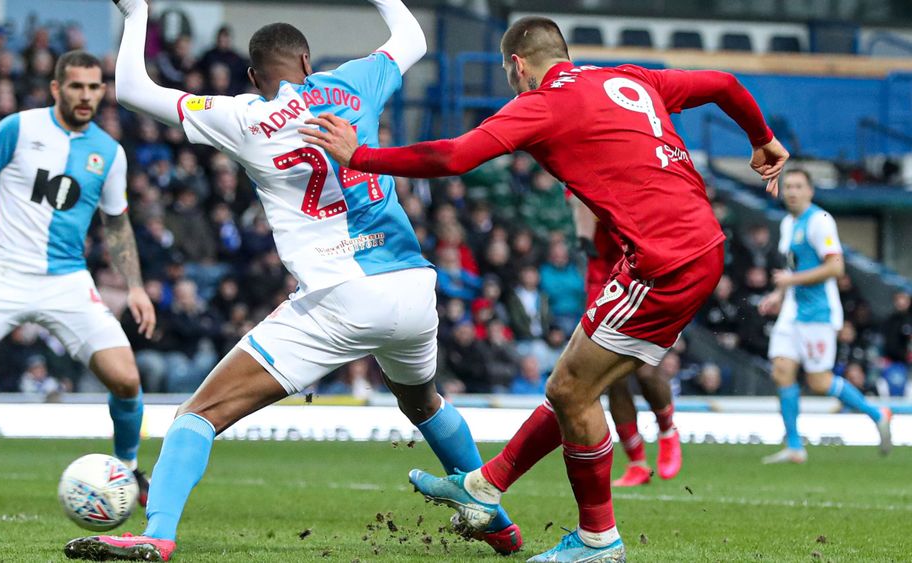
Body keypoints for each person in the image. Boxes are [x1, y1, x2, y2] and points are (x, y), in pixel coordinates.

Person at [303, 16, 788, 562]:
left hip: (666, 260)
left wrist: (360, 157)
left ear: (517, 64)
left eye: (511, 78)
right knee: (570, 384)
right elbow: (725, 84)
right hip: (689, 244)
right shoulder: (627, 78)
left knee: (571, 391)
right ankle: (484, 488)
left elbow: (454, 157)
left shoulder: (543, 104)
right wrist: (763, 140)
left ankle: (598, 541)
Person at [64, 1, 521, 561]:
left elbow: (133, 88)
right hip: (412, 286)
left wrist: (136, 13)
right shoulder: (356, 79)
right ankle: (499, 524)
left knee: (198, 415)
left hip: (341, 297)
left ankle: (156, 533)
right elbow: (414, 36)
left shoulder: (244, 116)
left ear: (255, 76)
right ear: (306, 59)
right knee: (423, 401)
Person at [0, 52, 155, 504]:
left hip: (67, 281)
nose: (87, 96)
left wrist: (136, 285)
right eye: (78, 86)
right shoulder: (18, 128)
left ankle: (128, 469)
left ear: (103, 91)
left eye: (95, 87)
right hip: (3, 271)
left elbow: (117, 224)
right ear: (56, 88)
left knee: (126, 379)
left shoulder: (110, 152)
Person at [758, 169, 892, 464]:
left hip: (818, 314)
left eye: (798, 186)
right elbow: (790, 271)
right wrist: (778, 295)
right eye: (788, 186)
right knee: (782, 371)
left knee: (819, 382)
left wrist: (789, 283)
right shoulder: (787, 223)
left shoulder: (820, 221)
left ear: (810, 191)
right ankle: (794, 446)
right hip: (793, 312)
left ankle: (877, 413)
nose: (792, 191)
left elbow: (836, 268)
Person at [572, 197, 682, 488]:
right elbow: (579, 201)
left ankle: (667, 430)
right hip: (602, 282)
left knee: (646, 371)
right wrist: (583, 237)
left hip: (643, 277)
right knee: (612, 378)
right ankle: (637, 463)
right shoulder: (581, 169)